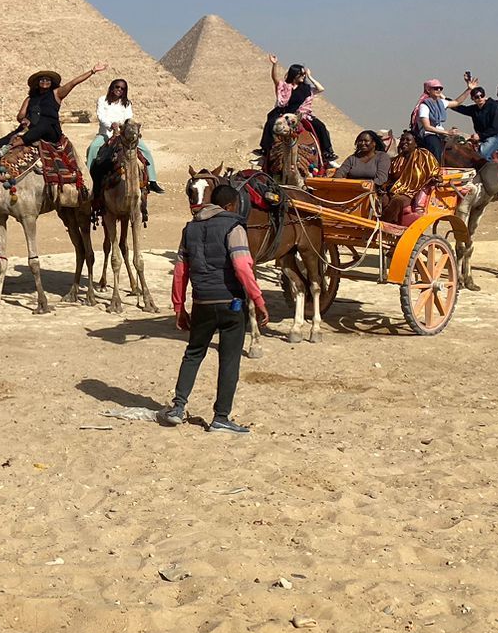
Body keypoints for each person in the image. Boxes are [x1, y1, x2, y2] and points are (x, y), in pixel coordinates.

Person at [161, 182, 269, 434]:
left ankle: (177, 407)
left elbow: (180, 271)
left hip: (202, 302)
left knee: (193, 353)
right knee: (229, 360)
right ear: (230, 206)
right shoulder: (234, 226)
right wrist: (259, 300)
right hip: (231, 303)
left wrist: (179, 307)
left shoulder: (190, 229)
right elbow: (242, 267)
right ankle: (221, 417)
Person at [0, 64, 105, 164]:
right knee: (3, 140)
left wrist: (92, 71)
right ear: (37, 83)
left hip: (50, 131)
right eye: (42, 80)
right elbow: (20, 116)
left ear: (52, 83)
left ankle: (12, 146)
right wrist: (24, 119)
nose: (45, 82)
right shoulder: (30, 99)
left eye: (47, 80)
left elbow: (73, 83)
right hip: (31, 128)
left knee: (44, 124)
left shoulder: (57, 94)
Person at [87, 77, 163, 194]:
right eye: (117, 87)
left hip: (123, 134)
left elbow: (128, 118)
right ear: (112, 87)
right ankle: (88, 182)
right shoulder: (102, 100)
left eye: (122, 88)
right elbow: (101, 116)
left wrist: (128, 128)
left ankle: (152, 181)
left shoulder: (126, 103)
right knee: (93, 148)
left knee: (146, 150)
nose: (119, 90)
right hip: (106, 134)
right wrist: (111, 125)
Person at [260, 56, 337, 166]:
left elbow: (321, 89)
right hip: (285, 114)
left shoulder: (306, 88)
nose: (303, 76)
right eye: (301, 74)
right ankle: (264, 153)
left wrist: (310, 76)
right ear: (294, 75)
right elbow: (275, 79)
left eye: (303, 74)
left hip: (302, 115)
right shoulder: (285, 86)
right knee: (270, 123)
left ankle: (327, 154)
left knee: (320, 126)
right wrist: (274, 65)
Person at [386, 130, 440, 225]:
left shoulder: (424, 155)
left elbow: (434, 171)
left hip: (412, 194)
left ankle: (382, 225)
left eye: (408, 140)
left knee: (397, 200)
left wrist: (436, 178)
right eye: (402, 139)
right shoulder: (397, 160)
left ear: (415, 143)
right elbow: (390, 177)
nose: (404, 142)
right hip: (393, 191)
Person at [449, 77, 498, 160]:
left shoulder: (495, 107)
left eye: (482, 95)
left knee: (483, 153)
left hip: (497, 137)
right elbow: (459, 108)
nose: (480, 98)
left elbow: (496, 128)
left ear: (485, 96)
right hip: (483, 137)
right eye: (477, 97)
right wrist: (443, 99)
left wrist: (480, 135)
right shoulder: (474, 109)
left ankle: (491, 171)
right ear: (473, 99)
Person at [409, 79, 459, 161]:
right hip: (429, 134)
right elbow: (427, 127)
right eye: (436, 88)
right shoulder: (424, 106)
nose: (439, 90)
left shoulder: (441, 103)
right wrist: (447, 132)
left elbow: (457, 102)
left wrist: (469, 89)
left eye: (440, 88)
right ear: (428, 90)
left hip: (441, 133)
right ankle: (436, 170)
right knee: (436, 149)